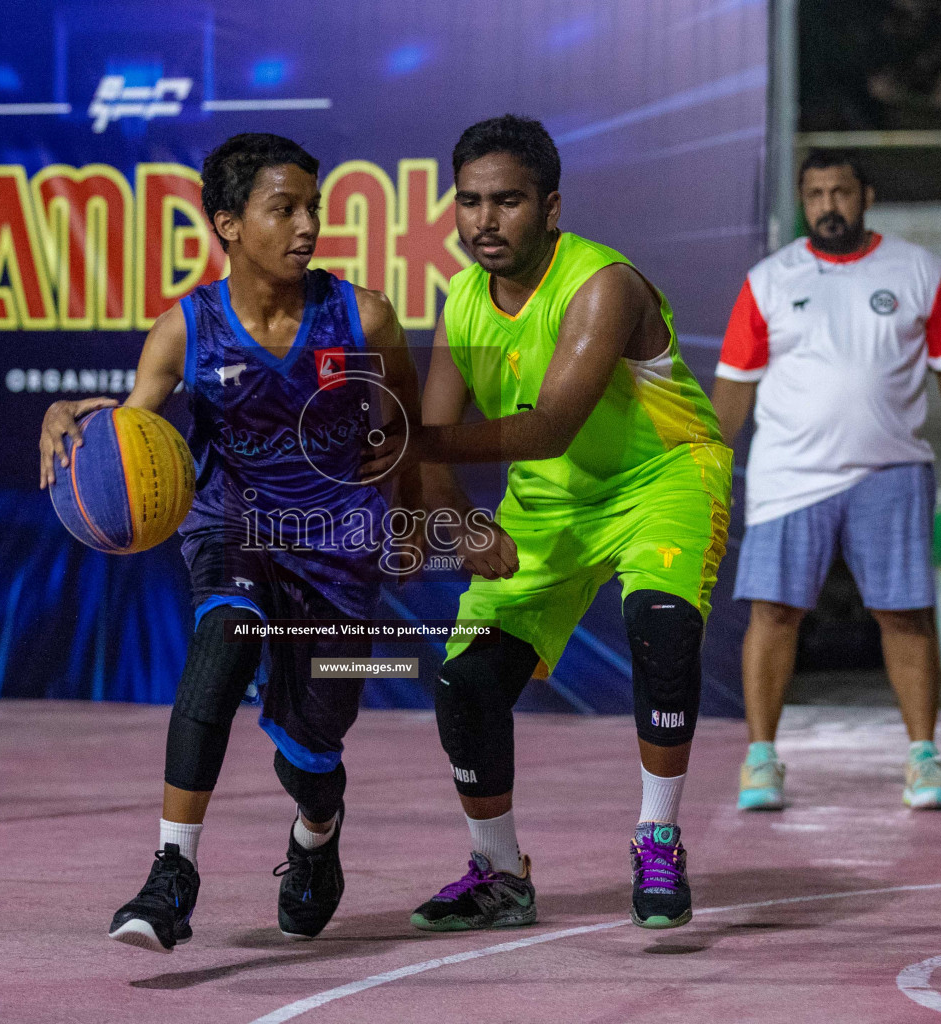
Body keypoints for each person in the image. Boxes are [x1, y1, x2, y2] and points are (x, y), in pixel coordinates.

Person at [39, 133, 420, 952]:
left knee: (312, 752)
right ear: (229, 224)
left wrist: (408, 514)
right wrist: (62, 414)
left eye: (313, 207)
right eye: (284, 209)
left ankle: (318, 835)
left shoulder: (366, 316)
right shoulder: (186, 330)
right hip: (231, 527)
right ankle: (171, 874)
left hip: (338, 547)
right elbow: (132, 423)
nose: (308, 225)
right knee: (225, 639)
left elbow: (402, 430)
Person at [365, 115, 732, 931]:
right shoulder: (461, 300)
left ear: (552, 208)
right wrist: (454, 522)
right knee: (464, 684)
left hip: (662, 476)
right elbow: (434, 444)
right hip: (549, 501)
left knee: (662, 629)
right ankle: (499, 875)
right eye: (469, 203)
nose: (485, 221)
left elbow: (549, 425)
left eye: (508, 202)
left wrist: (399, 441)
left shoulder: (604, 284)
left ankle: (659, 837)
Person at [711, 149, 941, 813]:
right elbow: (733, 386)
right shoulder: (769, 280)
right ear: (802, 201)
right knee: (773, 612)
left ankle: (923, 757)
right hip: (789, 476)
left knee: (905, 614)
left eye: (840, 192)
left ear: (866, 196)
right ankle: (761, 760)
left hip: (891, 470)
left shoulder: (919, 270)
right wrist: (707, 466)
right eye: (814, 194)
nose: (827, 206)